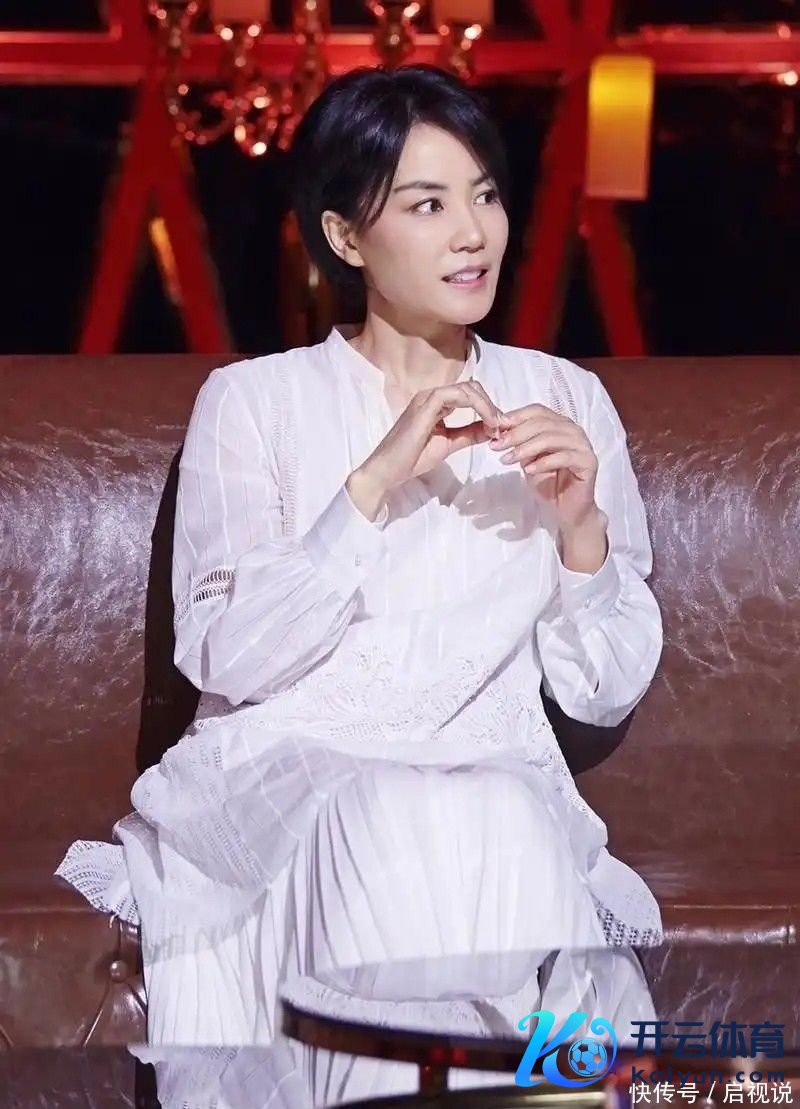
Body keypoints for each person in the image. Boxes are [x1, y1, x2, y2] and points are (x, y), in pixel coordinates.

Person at [55, 64, 664, 1068]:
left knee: (489, 818)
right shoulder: (254, 402)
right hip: (294, 794)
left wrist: (579, 531)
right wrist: (372, 484)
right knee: (392, 822)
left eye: (483, 196)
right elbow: (228, 656)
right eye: (427, 204)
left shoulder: (563, 399)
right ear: (345, 237)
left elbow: (600, 691)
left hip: (496, 798)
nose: (472, 233)